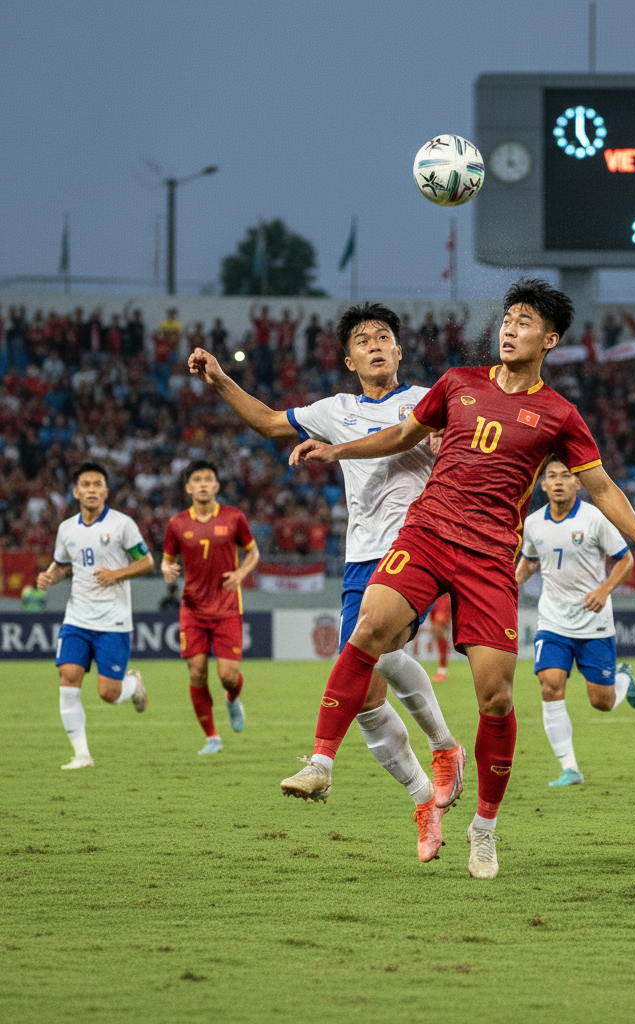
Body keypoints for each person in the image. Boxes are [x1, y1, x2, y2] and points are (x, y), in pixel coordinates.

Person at [282, 279, 635, 878]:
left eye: (524, 321)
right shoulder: (458, 383)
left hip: (490, 556)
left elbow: (601, 486)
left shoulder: (560, 415)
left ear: (549, 339)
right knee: (368, 629)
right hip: (427, 532)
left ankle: (483, 828)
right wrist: (334, 451)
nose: (509, 328)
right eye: (507, 318)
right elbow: (401, 435)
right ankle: (321, 762)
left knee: (497, 697)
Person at [189, 302, 464, 863]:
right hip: (361, 559)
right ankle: (423, 796)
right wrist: (220, 379)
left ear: (400, 350)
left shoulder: (426, 401)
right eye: (363, 340)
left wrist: (447, 446)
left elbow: (468, 450)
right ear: (349, 358)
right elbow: (268, 422)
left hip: (418, 546)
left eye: (385, 336)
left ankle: (427, 749)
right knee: (365, 691)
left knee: (372, 645)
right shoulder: (336, 409)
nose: (376, 344)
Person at [516, 458, 635, 787]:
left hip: (594, 621)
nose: (558, 482)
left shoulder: (596, 518)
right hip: (553, 620)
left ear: (578, 484)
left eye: (566, 476)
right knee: (550, 685)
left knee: (601, 702)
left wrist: (604, 590)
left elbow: (625, 560)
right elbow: (529, 563)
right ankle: (569, 768)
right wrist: (508, 585)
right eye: (551, 477)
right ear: (543, 485)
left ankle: (623, 679)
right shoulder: (532, 524)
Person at [35, 463, 154, 769]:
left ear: (105, 491)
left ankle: (132, 686)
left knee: (108, 693)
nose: (90, 489)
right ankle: (82, 755)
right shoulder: (67, 529)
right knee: (68, 678)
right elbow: (63, 565)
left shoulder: (122, 524)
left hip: (113, 620)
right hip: (76, 618)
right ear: (75, 492)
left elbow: (147, 562)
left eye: (96, 484)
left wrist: (117, 573)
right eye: (85, 484)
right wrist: (50, 576)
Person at [162, 460, 260, 754]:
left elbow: (253, 552)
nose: (203, 484)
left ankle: (232, 700)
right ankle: (212, 737)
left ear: (216, 486)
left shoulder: (233, 518)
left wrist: (242, 573)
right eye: (197, 479)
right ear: (188, 487)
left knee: (228, 676)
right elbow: (167, 559)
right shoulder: (177, 523)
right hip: (192, 609)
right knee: (197, 673)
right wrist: (167, 569)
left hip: (227, 608)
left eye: (208, 478)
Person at [428, 593, 452, 682]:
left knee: (440, 630)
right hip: (433, 596)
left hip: (443, 597)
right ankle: (441, 669)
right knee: (436, 632)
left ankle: (443, 670)